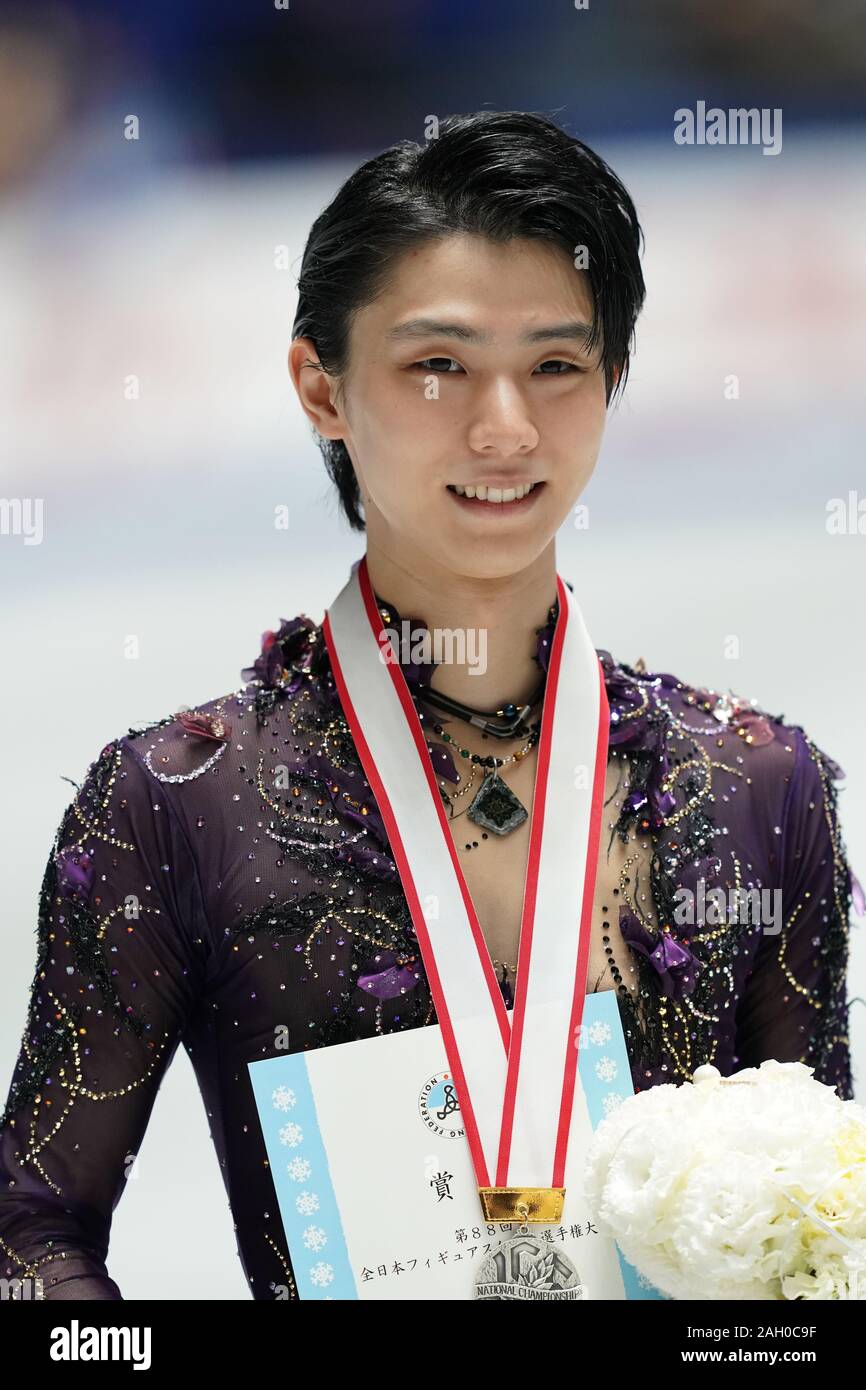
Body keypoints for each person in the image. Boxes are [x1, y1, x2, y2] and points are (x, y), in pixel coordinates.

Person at [0, 110, 858, 1302]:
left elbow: (823, 1223)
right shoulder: (175, 804)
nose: (503, 428)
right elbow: (31, 1232)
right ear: (321, 386)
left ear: (611, 378)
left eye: (555, 365)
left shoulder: (759, 785)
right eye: (437, 365)